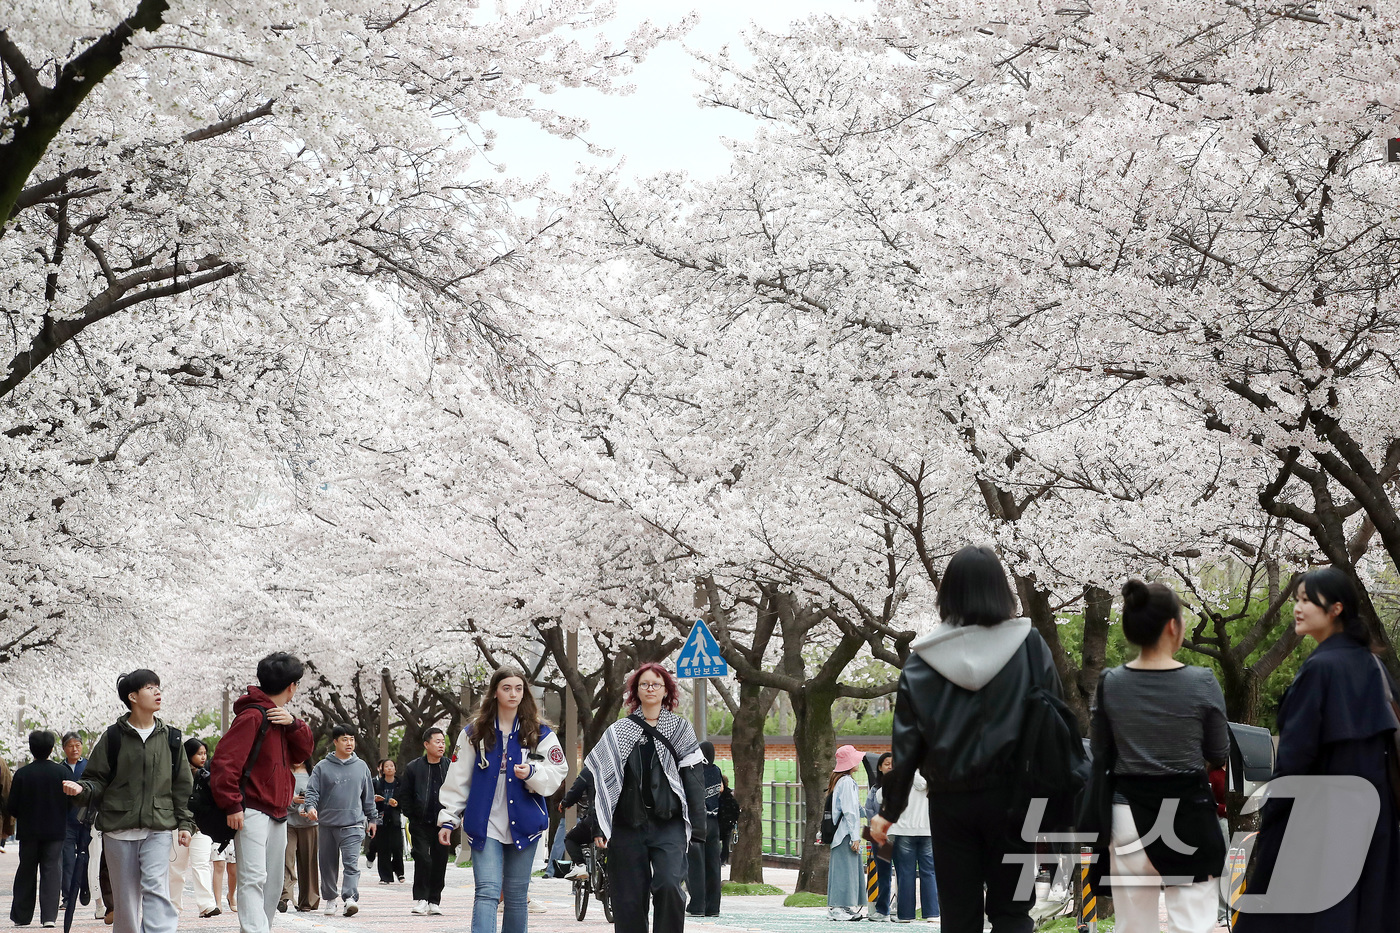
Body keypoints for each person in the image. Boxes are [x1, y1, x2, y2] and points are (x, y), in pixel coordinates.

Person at [871, 545, 1070, 933]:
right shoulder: (1030, 645)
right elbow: (1055, 720)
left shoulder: (922, 660)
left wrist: (889, 811)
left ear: (947, 595)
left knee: (959, 917)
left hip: (950, 805)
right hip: (1017, 802)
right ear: (1000, 591)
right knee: (1013, 914)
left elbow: (907, 746)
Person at [1235, 568, 1400, 933]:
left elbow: (1295, 759)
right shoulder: (1374, 667)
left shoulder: (1320, 669)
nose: (1297, 608)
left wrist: (1272, 818)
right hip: (1374, 819)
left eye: (1307, 600)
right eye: (1297, 599)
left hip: (1318, 822)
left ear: (1336, 608)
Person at [1087, 579, 1228, 933]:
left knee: (1134, 926)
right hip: (1188, 814)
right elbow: (1218, 752)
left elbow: (1100, 749)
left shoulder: (1111, 683)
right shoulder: (1202, 682)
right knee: (1193, 924)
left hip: (1127, 815)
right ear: (1173, 626)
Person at [437, 667, 568, 933]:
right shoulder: (474, 733)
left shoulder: (540, 733)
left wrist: (532, 772)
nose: (513, 694)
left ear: (525, 693)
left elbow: (557, 772)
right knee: (487, 891)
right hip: (485, 822)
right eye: (506, 688)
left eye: (518, 688)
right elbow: (458, 778)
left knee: (517, 897)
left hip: (525, 823)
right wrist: (448, 820)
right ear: (495, 692)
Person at [63, 670, 195, 933]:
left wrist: (185, 823)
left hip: (158, 827)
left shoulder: (172, 738)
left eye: (158, 686)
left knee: (157, 891)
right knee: (125, 902)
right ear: (132, 697)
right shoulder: (113, 737)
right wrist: (82, 789)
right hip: (118, 828)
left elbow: (181, 785)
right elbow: (96, 779)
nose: (157, 691)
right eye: (150, 687)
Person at [584, 662, 707, 933]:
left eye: (656, 684)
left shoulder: (680, 729)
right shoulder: (618, 732)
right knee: (628, 898)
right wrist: (597, 826)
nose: (650, 688)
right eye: (644, 684)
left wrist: (698, 830)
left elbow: (694, 780)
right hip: (627, 825)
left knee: (669, 886)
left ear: (666, 691)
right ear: (635, 691)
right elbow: (599, 781)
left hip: (669, 823)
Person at [208, 652, 314, 933]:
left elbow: (304, 752)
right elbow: (224, 762)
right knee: (253, 878)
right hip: (252, 809)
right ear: (292, 686)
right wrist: (232, 805)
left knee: (272, 883)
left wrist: (293, 724)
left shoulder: (281, 718)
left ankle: (259, 928)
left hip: (278, 810)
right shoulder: (253, 716)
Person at [303, 724, 377, 917]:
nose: (349, 743)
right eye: (344, 739)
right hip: (327, 824)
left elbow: (368, 796)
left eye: (351, 739)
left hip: (353, 823)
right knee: (327, 865)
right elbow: (312, 792)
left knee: (351, 863)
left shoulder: (361, 767)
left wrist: (372, 818)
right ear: (335, 742)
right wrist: (310, 807)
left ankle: (350, 898)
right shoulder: (322, 767)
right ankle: (330, 899)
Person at [8, 730, 68, 928]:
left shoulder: (22, 774)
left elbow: (12, 806)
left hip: (29, 831)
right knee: (52, 870)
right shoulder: (62, 772)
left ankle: (22, 916)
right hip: (55, 830)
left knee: (26, 870)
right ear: (52, 749)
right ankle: (49, 917)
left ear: (31, 748)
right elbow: (72, 802)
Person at [400, 727, 451, 915]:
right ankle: (421, 899)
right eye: (437, 741)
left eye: (443, 741)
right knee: (422, 858)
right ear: (426, 744)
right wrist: (411, 815)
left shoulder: (449, 766)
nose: (441, 745)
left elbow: (456, 792)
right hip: (419, 822)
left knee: (440, 861)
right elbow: (405, 794)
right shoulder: (413, 767)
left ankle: (434, 900)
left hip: (443, 824)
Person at [168, 738, 220, 918]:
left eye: (205, 753)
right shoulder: (177, 774)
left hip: (201, 827)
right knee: (176, 868)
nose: (203, 757)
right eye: (199, 753)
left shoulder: (208, 774)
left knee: (202, 865)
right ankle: (173, 906)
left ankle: (207, 905)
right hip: (179, 826)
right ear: (189, 754)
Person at [888, 767, 939, 923]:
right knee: (929, 872)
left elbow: (881, 797)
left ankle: (905, 915)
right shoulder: (934, 774)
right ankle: (932, 913)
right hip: (928, 828)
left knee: (905, 873)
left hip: (903, 829)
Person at [826, 745, 864, 921]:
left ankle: (842, 906)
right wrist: (855, 837)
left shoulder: (841, 781)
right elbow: (850, 811)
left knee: (843, 870)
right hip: (845, 834)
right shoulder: (847, 782)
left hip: (841, 834)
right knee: (844, 871)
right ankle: (838, 907)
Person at [686, 741, 724, 918]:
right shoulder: (716, 771)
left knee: (696, 865)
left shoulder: (695, 770)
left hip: (697, 822)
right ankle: (713, 906)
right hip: (714, 823)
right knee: (713, 865)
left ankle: (697, 906)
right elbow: (722, 789)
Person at [281, 758, 318, 912]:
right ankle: (285, 897)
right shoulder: (283, 771)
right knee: (286, 861)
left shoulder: (314, 772)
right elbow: (277, 795)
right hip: (287, 823)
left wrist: (311, 809)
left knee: (308, 863)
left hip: (309, 824)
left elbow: (319, 795)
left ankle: (308, 901)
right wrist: (293, 801)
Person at [58, 732, 89, 905]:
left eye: (77, 745)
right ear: (64, 748)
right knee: (68, 860)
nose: (74, 748)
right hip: (67, 821)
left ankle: (85, 888)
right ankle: (68, 897)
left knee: (85, 858)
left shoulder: (89, 766)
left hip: (86, 820)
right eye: (70, 745)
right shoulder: (60, 769)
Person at [862, 753, 894, 922]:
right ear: (880, 767)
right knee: (884, 873)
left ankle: (903, 910)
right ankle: (883, 910)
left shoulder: (902, 787)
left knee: (904, 872)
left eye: (892, 764)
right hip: (879, 835)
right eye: (886, 763)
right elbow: (868, 810)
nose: (889, 766)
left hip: (898, 834)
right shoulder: (874, 789)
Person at [557, 769, 596, 879]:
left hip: (595, 819)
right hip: (621, 820)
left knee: (570, 839)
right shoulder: (622, 765)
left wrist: (566, 802)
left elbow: (576, 790)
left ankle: (580, 865)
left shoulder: (590, 769)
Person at [372, 758, 404, 884]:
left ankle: (399, 871)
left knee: (397, 846)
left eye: (392, 766)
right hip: (381, 818)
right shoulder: (377, 783)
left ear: (395, 769)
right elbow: (369, 799)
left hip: (395, 818)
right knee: (383, 847)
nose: (389, 768)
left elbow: (405, 800)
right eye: (387, 766)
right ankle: (385, 876)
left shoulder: (400, 783)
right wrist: (375, 800)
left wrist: (397, 804)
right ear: (382, 769)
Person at [211, 842, 235, 914]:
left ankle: (231, 895)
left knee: (233, 870)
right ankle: (218, 903)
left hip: (233, 837)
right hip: (217, 837)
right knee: (219, 866)